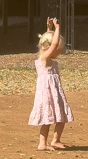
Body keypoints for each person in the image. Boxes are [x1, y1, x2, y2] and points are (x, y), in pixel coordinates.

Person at [29, 17, 73, 151]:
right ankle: (42, 144)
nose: (59, 52)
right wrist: (58, 28)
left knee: (61, 117)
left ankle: (55, 140)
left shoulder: (47, 56)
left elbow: (49, 41)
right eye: (58, 49)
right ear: (48, 47)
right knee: (46, 119)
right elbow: (52, 44)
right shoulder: (44, 58)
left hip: (55, 92)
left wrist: (49, 29)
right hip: (47, 93)